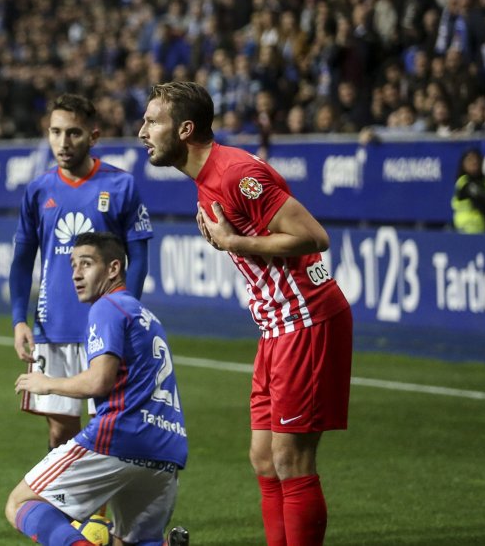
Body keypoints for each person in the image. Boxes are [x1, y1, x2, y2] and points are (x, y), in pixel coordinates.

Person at [139, 81, 352, 546]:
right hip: (275, 327)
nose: (143, 132)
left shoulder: (235, 173)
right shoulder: (205, 180)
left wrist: (236, 243)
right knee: (263, 457)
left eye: (153, 121)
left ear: (186, 129)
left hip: (306, 319)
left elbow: (314, 236)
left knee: (292, 459)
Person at [7, 232, 188, 546]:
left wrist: (47, 384)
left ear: (114, 269)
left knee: (21, 503)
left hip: (120, 438)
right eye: (73, 265)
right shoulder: (147, 316)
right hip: (167, 448)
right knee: (131, 541)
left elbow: (99, 381)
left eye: (87, 264)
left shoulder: (108, 308)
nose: (76, 273)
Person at [10, 94, 153, 449]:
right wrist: (18, 319)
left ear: (93, 136)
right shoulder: (39, 189)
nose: (62, 142)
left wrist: (126, 313)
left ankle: (94, 509)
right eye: (55, 132)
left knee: (106, 430)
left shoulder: (121, 186)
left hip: (104, 326)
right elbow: (23, 259)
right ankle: (65, 507)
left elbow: (139, 254)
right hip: (52, 326)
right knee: (60, 433)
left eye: (73, 133)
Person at [452, 147, 485, 233]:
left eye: (476, 159)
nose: (474, 162)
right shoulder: (464, 182)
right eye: (469, 160)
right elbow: (482, 199)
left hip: (484, 229)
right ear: (463, 164)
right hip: (465, 230)